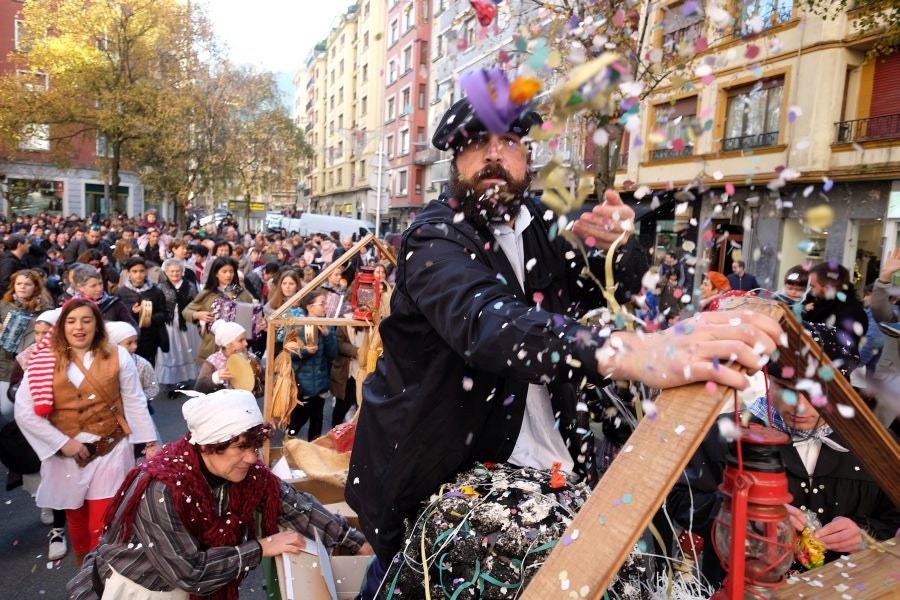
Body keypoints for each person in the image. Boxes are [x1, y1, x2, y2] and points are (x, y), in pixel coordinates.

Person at [346, 94, 783, 592]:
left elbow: (620, 286)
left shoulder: (549, 222)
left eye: (509, 141)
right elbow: (490, 323)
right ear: (455, 159)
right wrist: (637, 354)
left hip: (548, 472)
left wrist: (619, 247)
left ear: (525, 156)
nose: (494, 155)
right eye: (476, 143)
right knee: (411, 578)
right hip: (433, 472)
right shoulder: (432, 239)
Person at [67, 388, 372, 599]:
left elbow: (295, 505)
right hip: (135, 591)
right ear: (208, 445)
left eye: (254, 448)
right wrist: (261, 546)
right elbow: (190, 572)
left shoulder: (242, 471)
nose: (253, 458)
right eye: (242, 448)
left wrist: (356, 543)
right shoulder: (161, 488)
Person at [667, 323, 899, 588]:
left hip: (845, 589)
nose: (799, 406)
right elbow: (682, 500)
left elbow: (894, 516)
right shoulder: (727, 434)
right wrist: (748, 519)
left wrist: (869, 535)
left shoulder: (876, 444)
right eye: (785, 388)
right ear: (768, 379)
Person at [14, 298, 160, 567]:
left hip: (110, 448)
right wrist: (62, 443)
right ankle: (85, 573)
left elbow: (134, 400)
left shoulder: (118, 355)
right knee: (77, 520)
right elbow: (24, 411)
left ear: (97, 324)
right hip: (64, 456)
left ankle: (101, 578)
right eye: (71, 321)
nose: (78, 327)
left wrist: (150, 442)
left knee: (103, 522)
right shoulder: (43, 361)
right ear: (62, 326)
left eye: (86, 320)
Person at [0, 270, 54, 419]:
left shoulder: (45, 309)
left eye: (27, 284)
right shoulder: (4, 305)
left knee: (21, 408)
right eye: (19, 284)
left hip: (30, 364)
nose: (22, 287)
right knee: (6, 409)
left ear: (36, 287)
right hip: (4, 362)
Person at [182, 257, 256, 363]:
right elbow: (187, 311)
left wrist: (258, 321)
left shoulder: (240, 292)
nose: (228, 275)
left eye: (231, 271)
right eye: (224, 271)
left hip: (237, 344)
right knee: (213, 376)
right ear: (216, 273)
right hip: (213, 343)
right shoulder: (208, 293)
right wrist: (198, 315)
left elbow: (253, 311)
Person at [287, 290, 336, 441]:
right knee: (297, 421)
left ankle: (313, 452)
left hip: (320, 384)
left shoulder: (328, 326)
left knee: (317, 422)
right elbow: (287, 353)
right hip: (303, 384)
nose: (325, 306)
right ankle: (288, 446)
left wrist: (327, 335)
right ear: (310, 307)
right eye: (322, 303)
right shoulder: (298, 325)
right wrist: (305, 351)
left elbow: (333, 354)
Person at [116, 257, 169, 366]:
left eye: (141, 271)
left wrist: (150, 318)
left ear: (146, 272)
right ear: (128, 273)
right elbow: (118, 316)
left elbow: (164, 313)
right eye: (134, 271)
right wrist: (132, 311)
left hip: (151, 337)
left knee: (149, 365)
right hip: (129, 338)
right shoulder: (122, 292)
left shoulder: (155, 291)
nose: (138, 275)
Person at [802, 261, 867, 351]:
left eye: (813, 286)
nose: (811, 291)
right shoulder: (818, 302)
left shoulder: (851, 313)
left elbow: (835, 348)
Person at [156, 258, 200, 387]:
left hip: (187, 323)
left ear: (182, 271)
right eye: (172, 271)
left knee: (187, 350)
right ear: (166, 272)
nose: (175, 274)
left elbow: (196, 303)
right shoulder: (161, 287)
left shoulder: (190, 286)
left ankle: (187, 378)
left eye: (177, 271)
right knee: (172, 352)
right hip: (169, 323)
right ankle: (171, 382)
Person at [194, 320, 260, 394]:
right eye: (241, 340)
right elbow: (198, 389)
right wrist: (215, 377)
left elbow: (265, 384)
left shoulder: (252, 358)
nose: (246, 343)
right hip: (221, 404)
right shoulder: (212, 362)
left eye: (245, 339)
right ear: (227, 344)